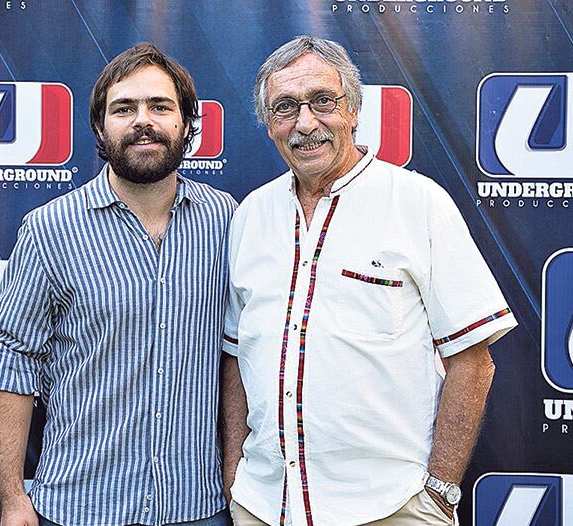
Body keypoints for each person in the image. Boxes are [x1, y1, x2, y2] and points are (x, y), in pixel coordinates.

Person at [220, 36, 517, 526]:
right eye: (285, 107)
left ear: (353, 110)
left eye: (322, 101)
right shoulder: (251, 215)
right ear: (269, 124)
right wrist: (235, 476)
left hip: (391, 507)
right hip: (265, 505)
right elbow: (236, 357)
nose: (305, 123)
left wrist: (439, 489)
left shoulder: (419, 203)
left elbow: (473, 360)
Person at [0, 43, 236, 526]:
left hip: (198, 508)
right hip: (80, 507)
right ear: (100, 127)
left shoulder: (228, 219)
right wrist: (14, 497)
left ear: (187, 123)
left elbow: (244, 354)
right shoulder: (49, 229)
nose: (143, 120)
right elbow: (14, 363)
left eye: (160, 107)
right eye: (124, 109)